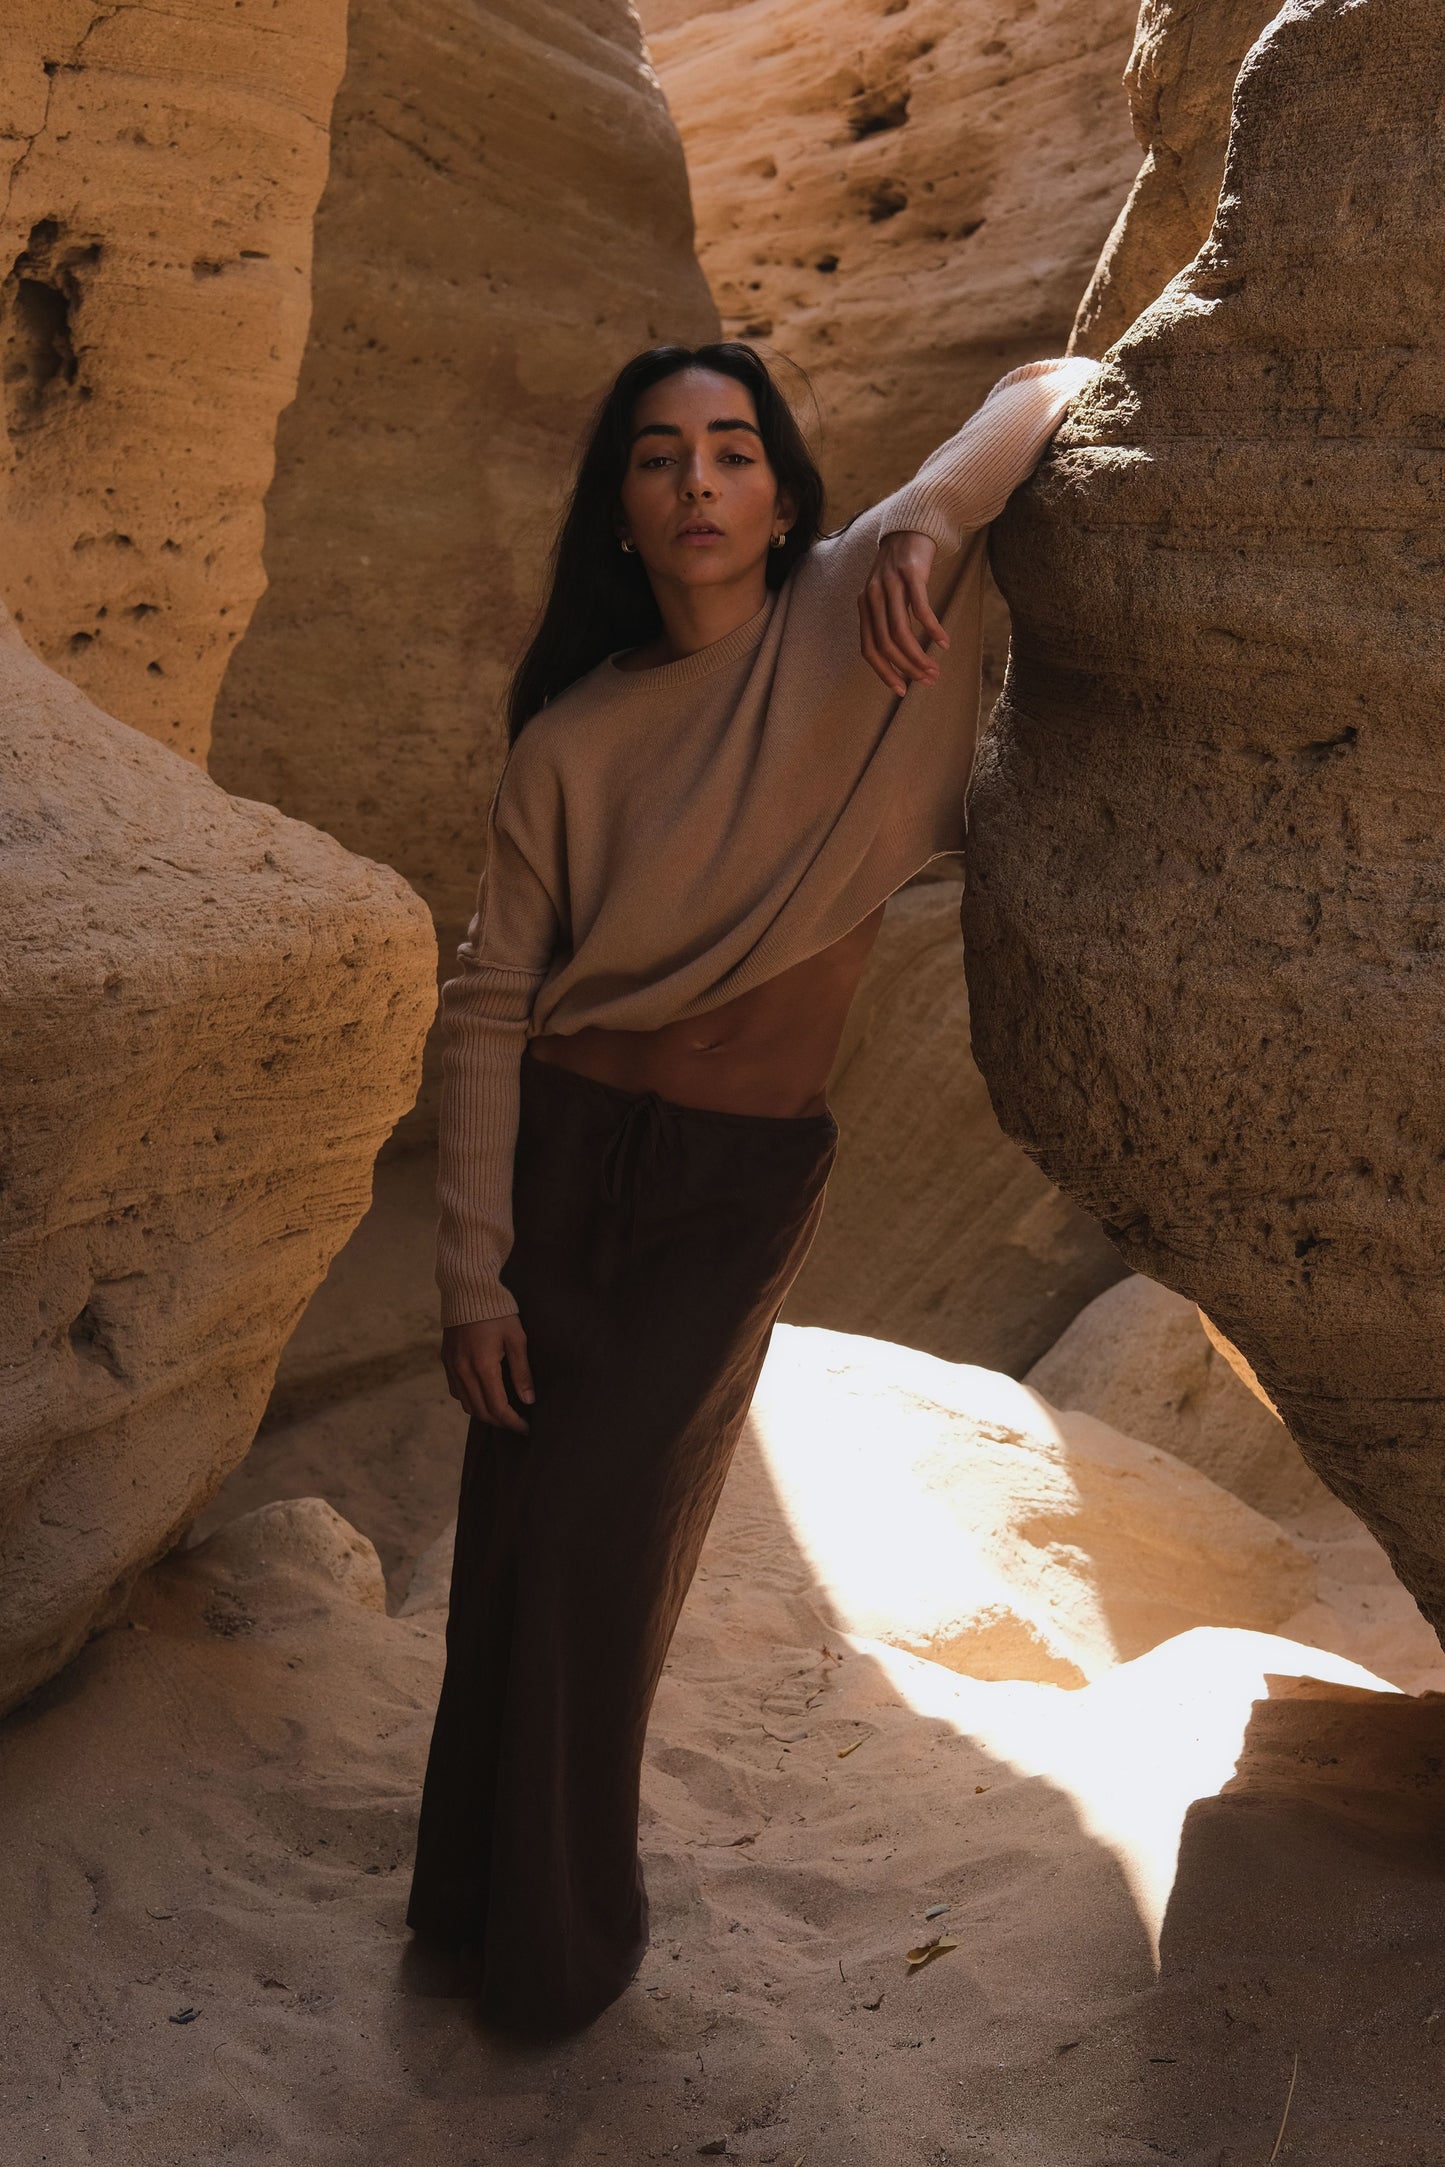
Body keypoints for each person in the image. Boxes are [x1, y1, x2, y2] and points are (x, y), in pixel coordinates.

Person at [404, 339, 1099, 2033]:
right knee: (514, 1538)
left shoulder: (871, 607)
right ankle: (464, 1910)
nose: (696, 483)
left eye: (730, 452)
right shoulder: (567, 741)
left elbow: (1049, 381)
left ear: (782, 496)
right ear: (622, 514)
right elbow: (491, 1003)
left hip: (731, 1183)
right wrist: (471, 1271)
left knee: (590, 1528)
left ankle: (558, 1957)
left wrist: (933, 513)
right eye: (658, 459)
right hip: (563, 1155)